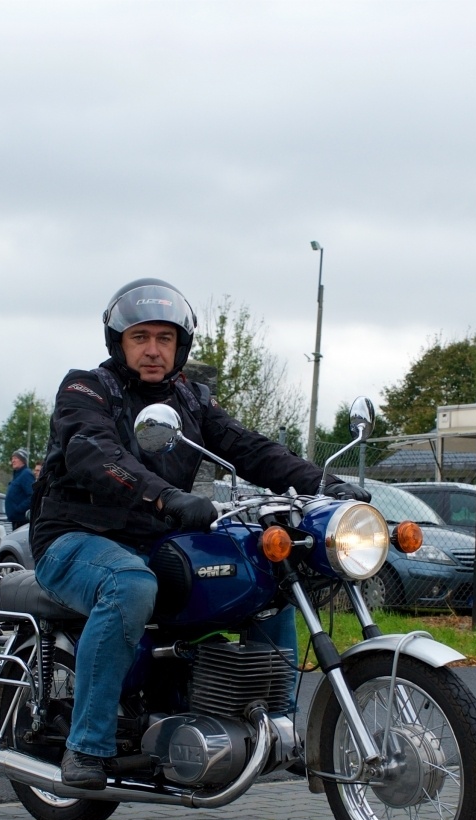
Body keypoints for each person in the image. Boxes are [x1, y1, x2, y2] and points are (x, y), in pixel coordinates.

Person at [31, 277, 368, 788]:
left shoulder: (191, 399)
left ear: (179, 345)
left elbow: (249, 448)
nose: (152, 350)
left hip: (157, 540)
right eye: (140, 337)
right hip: (75, 538)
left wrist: (323, 483)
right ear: (118, 343)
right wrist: (166, 496)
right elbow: (97, 454)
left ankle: (277, 726)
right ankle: (86, 744)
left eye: (164, 339)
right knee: (130, 583)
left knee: (268, 579)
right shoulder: (85, 390)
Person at [4, 449, 34, 529]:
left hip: (22, 521)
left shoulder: (26, 474)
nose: (13, 461)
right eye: (12, 458)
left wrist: (18, 509)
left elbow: (32, 496)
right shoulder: (17, 475)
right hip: (15, 520)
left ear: (23, 460)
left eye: (15, 458)